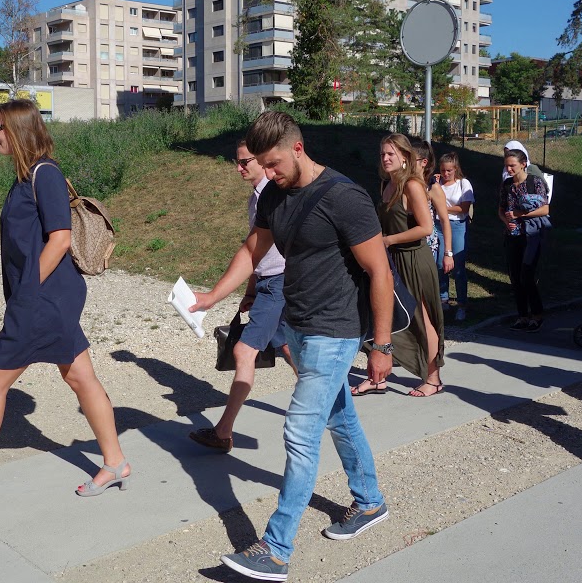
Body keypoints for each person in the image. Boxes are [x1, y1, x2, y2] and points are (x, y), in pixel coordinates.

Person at [188, 111, 394, 582]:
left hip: (334, 331)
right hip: (297, 326)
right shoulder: (274, 195)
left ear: (297, 149)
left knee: (300, 433)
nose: (270, 173)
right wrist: (211, 297)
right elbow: (253, 248)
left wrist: (380, 345)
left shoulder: (344, 197)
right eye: (262, 165)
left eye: (275, 163)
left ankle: (275, 548)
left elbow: (380, 272)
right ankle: (370, 501)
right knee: (339, 416)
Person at [0, 99, 130, 515]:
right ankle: (116, 462)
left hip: (44, 300)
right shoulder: (25, 176)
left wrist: (27, 293)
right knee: (81, 377)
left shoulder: (45, 174)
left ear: (18, 130)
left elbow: (60, 239)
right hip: (46, 298)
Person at [188, 140, 295, 453]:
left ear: (263, 160)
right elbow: (258, 250)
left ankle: (223, 432)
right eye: (237, 161)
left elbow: (254, 250)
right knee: (288, 347)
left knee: (244, 352)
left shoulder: (269, 196)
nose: (239, 168)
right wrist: (251, 288)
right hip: (269, 281)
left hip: (278, 283)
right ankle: (330, 404)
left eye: (245, 161)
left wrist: (214, 296)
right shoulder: (259, 196)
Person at [352, 133, 445, 398]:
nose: (385, 158)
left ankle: (434, 378)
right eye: (383, 154)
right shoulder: (386, 185)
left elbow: (426, 228)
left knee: (423, 320)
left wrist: (389, 239)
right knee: (380, 316)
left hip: (414, 259)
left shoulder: (412, 186)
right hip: (391, 260)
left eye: (391, 154)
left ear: (405, 157)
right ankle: (378, 377)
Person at [499, 147, 551, 331]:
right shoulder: (506, 184)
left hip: (531, 235)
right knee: (515, 277)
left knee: (527, 276)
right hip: (512, 236)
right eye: (507, 166)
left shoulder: (535, 182)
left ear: (523, 164)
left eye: (512, 165)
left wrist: (520, 214)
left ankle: (537, 314)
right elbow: (501, 209)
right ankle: (522, 315)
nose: (509, 169)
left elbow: (545, 209)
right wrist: (507, 221)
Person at [412, 139, 454, 311]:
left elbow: (444, 220)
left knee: (423, 290)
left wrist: (448, 253)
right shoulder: (404, 184)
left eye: (410, 159)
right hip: (407, 243)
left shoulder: (433, 188)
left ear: (423, 162)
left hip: (427, 244)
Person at [435, 151, 474, 321]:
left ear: (456, 169)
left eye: (449, 170)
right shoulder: (437, 184)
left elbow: (463, 208)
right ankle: (443, 298)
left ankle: (462, 304)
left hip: (457, 225)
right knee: (440, 263)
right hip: (438, 226)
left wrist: (442, 208)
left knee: (458, 265)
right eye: (443, 170)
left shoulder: (463, 184)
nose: (446, 174)